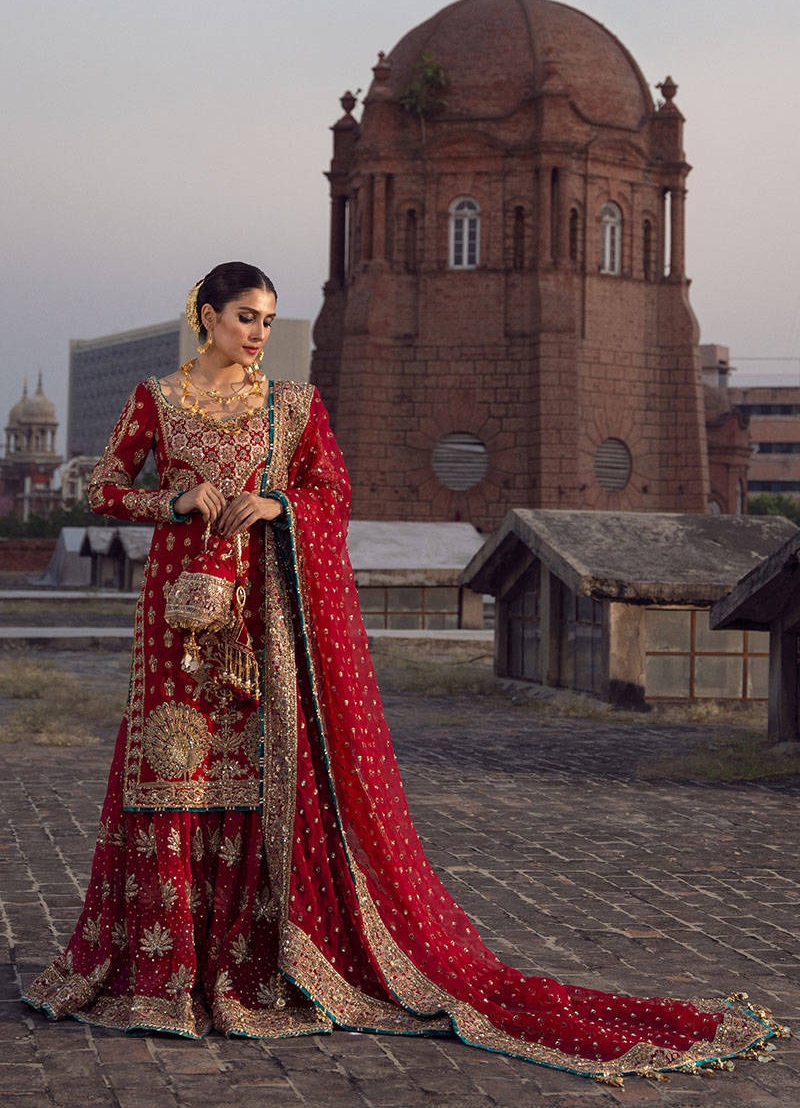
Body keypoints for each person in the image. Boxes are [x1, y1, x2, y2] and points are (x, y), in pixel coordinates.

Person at [24, 262, 781, 1081]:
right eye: (245, 317)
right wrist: (171, 502)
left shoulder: (292, 405)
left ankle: (248, 966)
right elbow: (104, 487)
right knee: (175, 770)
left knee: (260, 776)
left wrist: (277, 504)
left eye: (268, 320)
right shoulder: (156, 399)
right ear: (205, 316)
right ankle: (164, 970)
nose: (258, 334)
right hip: (178, 619)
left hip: (267, 620)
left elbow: (332, 493)